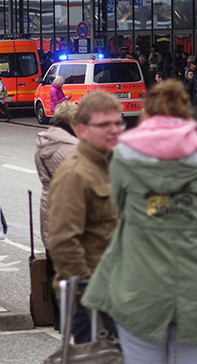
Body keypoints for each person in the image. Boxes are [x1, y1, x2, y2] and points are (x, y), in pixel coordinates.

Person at [82, 80, 197, 364]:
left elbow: (116, 211)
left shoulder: (123, 160)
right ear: (187, 116)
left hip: (140, 291)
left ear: (147, 114)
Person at [47, 91, 123, 343]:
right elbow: (63, 241)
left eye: (117, 122)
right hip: (92, 295)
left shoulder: (112, 166)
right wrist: (88, 291)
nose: (113, 130)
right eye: (104, 124)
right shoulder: (75, 173)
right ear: (82, 129)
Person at [34, 100, 79, 329]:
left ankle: (59, 317)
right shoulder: (71, 148)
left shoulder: (44, 142)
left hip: (48, 201)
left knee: (54, 261)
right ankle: (70, 317)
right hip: (69, 207)